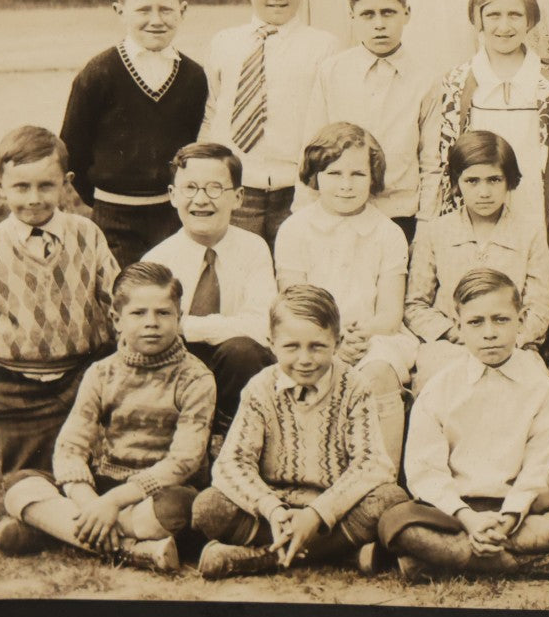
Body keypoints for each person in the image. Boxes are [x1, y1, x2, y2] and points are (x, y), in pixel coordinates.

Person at [377, 269, 549, 583]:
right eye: (475, 322)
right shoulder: (441, 388)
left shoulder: (539, 387)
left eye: (500, 319)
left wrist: (508, 519)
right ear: (458, 326)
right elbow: (425, 472)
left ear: (521, 321)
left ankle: (443, 562)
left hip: (522, 511)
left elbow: (538, 468)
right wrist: (467, 518)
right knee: (397, 523)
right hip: (455, 511)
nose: (489, 333)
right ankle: (537, 564)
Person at [0, 262, 213, 570]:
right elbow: (71, 447)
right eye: (138, 313)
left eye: (163, 313)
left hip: (161, 492)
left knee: (179, 509)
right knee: (21, 483)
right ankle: (131, 550)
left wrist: (111, 504)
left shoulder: (195, 378)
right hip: (107, 484)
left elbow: (184, 461)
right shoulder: (101, 372)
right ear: (117, 319)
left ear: (179, 319)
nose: (151, 322)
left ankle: (57, 529)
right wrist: (92, 504)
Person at [191, 285, 408, 579]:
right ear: (271, 343)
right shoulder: (260, 388)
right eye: (291, 347)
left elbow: (373, 464)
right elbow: (232, 463)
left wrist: (316, 514)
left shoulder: (355, 386)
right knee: (208, 507)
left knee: (390, 499)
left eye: (317, 346)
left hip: (334, 509)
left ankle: (259, 558)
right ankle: (339, 553)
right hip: (273, 511)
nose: (305, 358)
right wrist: (273, 510)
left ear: (338, 341)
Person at [0, 126, 120, 482]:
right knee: (27, 480)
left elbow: (117, 295)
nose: (34, 198)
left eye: (46, 185)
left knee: (93, 471)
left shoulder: (87, 233)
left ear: (66, 183)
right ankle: (40, 506)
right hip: (16, 385)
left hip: (84, 376)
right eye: (21, 187)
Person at [275, 123, 410, 464]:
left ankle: (383, 479)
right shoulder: (294, 230)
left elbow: (390, 317)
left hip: (374, 337)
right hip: (313, 336)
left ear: (373, 177)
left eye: (358, 174)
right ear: (315, 176)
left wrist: (360, 338)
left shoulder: (388, 233)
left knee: (378, 372)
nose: (347, 185)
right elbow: (296, 309)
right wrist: (334, 344)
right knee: (315, 365)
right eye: (334, 173)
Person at [59, 0, 207, 266]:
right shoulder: (99, 73)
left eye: (166, 9)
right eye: (143, 9)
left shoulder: (193, 76)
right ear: (120, 11)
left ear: (183, 11)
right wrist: (103, 199)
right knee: (122, 298)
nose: (156, 19)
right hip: (114, 218)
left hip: (173, 215)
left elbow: (196, 143)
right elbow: (72, 148)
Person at [202, 0, 340, 247]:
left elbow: (328, 126)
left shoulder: (324, 47)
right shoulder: (224, 43)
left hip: (297, 192)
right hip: (236, 189)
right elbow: (210, 114)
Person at [419, 0, 549, 238]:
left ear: (529, 19)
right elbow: (446, 162)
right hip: (476, 214)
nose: (504, 26)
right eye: (493, 15)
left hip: (533, 214)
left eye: (515, 15)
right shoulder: (458, 82)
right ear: (478, 19)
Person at [142, 142, 276, 439]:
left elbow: (261, 325)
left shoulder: (254, 248)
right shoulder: (157, 260)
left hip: (236, 371)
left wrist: (186, 325)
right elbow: (155, 333)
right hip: (177, 372)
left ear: (238, 197)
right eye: (190, 188)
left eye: (215, 188)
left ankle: (233, 440)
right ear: (173, 195)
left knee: (242, 350)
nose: (201, 200)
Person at [405, 130, 549, 389]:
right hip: (451, 346)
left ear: (509, 181)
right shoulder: (436, 232)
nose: (484, 191)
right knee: (441, 386)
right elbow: (416, 305)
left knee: (531, 388)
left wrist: (508, 340)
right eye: (472, 181)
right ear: (456, 182)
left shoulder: (529, 233)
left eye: (494, 180)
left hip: (511, 346)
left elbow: (539, 307)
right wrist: (456, 333)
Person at [305, 0, 440, 243]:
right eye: (368, 14)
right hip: (339, 210)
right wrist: (305, 213)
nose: (379, 24)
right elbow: (312, 150)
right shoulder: (331, 72)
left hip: (400, 214)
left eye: (388, 12)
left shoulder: (426, 80)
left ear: (407, 13)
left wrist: (426, 225)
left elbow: (432, 161)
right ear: (352, 18)